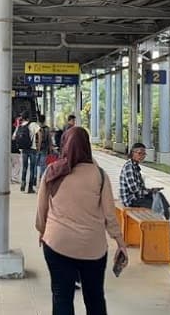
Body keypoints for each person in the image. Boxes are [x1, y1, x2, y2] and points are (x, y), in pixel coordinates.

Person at [36, 128, 127, 315]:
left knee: (62, 297)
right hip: (92, 249)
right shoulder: (100, 175)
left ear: (64, 145)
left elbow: (41, 209)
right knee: (94, 297)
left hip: (57, 244)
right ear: (87, 146)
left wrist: (42, 231)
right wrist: (120, 242)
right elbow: (110, 214)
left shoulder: (52, 171)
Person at [13, 111, 41, 193]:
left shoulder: (20, 126)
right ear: (29, 117)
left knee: (24, 168)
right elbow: (39, 134)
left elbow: (14, 137)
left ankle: (23, 184)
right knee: (32, 168)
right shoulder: (33, 124)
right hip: (32, 149)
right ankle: (30, 187)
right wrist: (38, 146)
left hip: (24, 149)